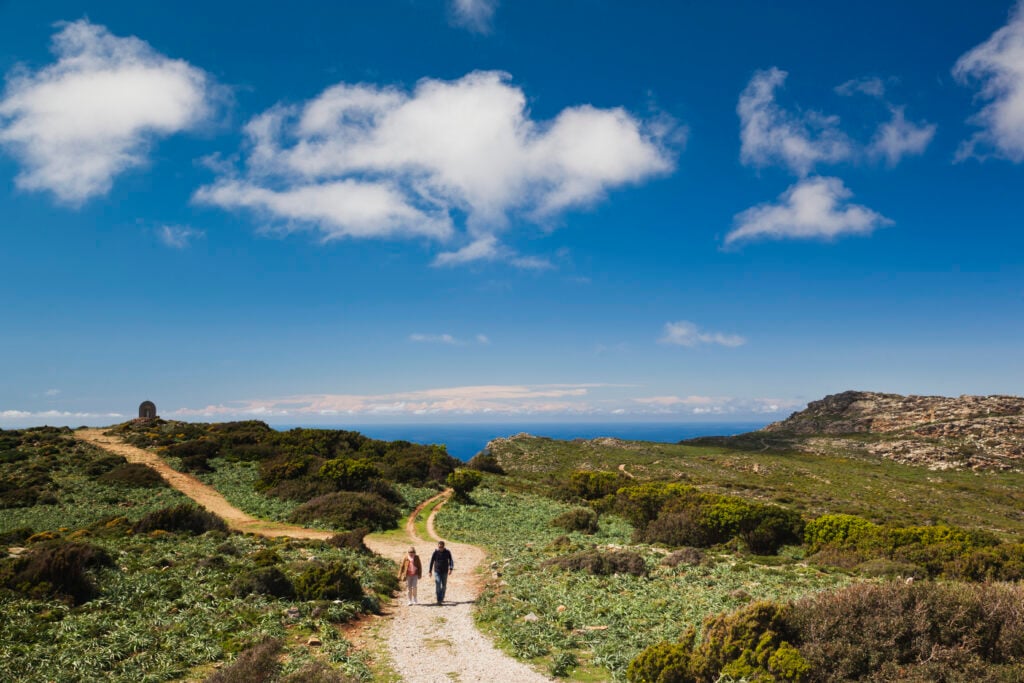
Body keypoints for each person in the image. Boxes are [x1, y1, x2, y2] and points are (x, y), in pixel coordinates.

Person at [428, 540, 454, 605]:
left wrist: (451, 569)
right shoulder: (435, 553)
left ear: (444, 546)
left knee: (444, 585)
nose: (440, 548)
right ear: (438, 546)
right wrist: (430, 571)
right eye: (439, 547)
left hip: (445, 571)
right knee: (438, 584)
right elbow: (431, 561)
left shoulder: (447, 552)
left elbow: (451, 560)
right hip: (437, 571)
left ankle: (442, 597)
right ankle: (439, 599)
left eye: (441, 547)